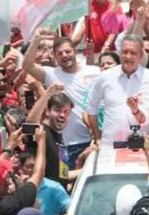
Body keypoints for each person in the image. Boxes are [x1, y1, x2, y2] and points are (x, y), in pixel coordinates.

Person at [23, 32, 101, 167]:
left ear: (75, 51)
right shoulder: (51, 74)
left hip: (91, 142)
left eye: (67, 51)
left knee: (88, 182)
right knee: (64, 180)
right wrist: (36, 40)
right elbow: (27, 65)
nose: (65, 55)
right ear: (55, 58)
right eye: (60, 53)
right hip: (63, 144)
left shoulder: (95, 71)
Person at [85, 35, 149, 145]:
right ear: (119, 54)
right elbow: (91, 106)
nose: (128, 56)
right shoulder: (105, 77)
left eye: (133, 53)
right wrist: (97, 136)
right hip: (110, 144)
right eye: (124, 52)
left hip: (142, 144)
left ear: (141, 55)